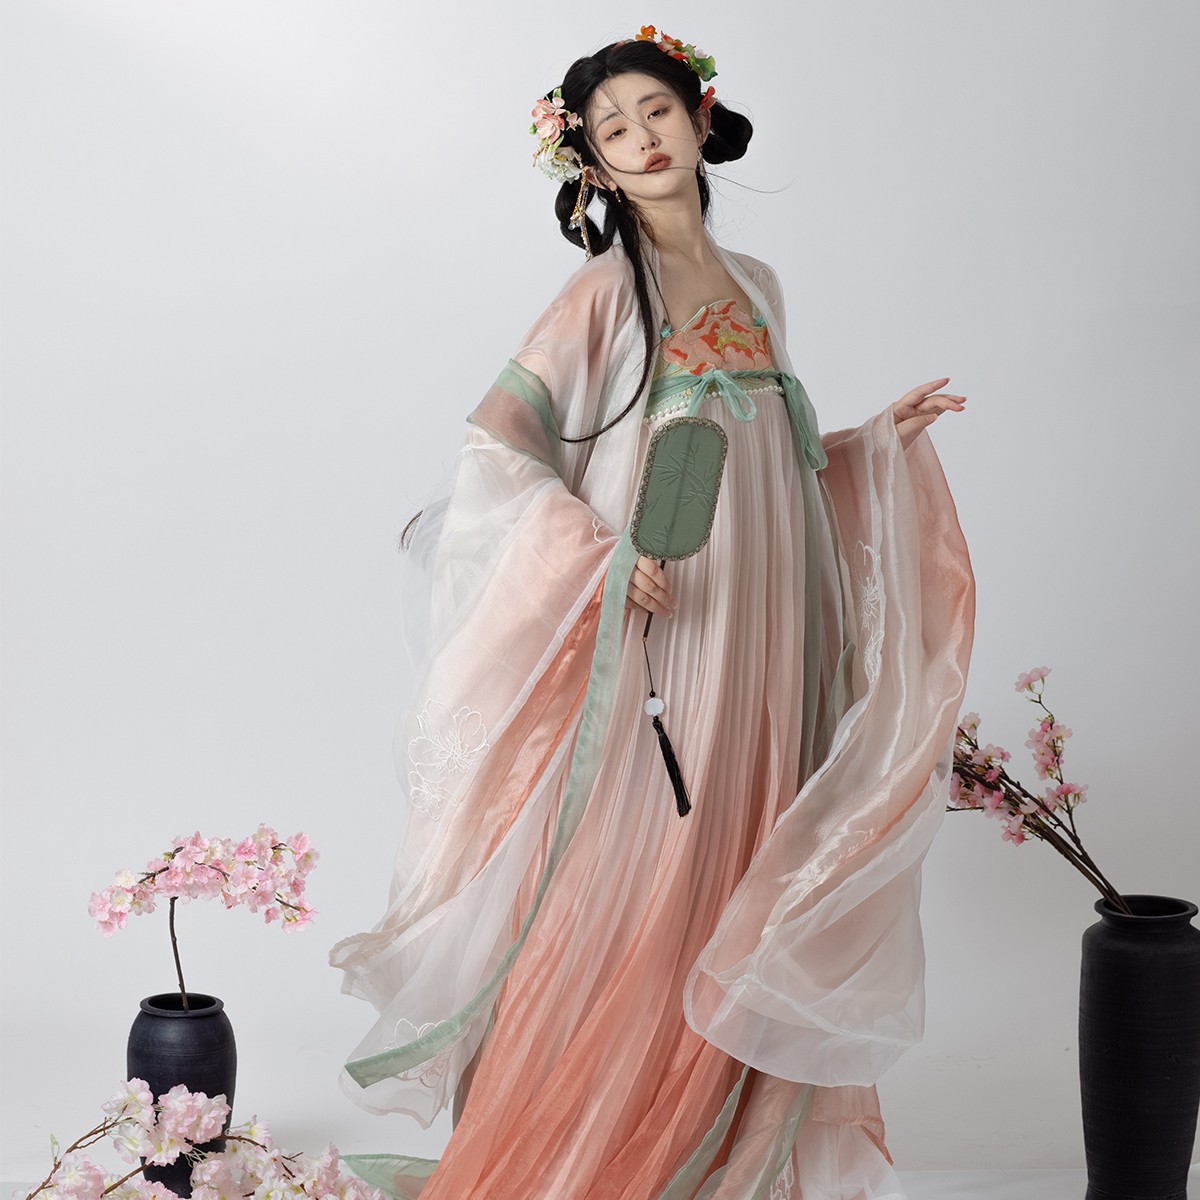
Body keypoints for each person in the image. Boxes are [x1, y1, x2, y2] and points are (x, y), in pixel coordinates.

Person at [329, 26, 974, 1200]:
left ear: (700, 118)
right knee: (640, 867)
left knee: (746, 855)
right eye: (613, 129)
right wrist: (599, 557)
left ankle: (713, 1151)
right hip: (676, 621)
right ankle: (590, 1145)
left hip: (772, 623)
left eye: (657, 112)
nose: (642, 138)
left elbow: (775, 463)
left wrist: (873, 445)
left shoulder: (759, 285)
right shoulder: (599, 294)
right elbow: (497, 449)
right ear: (593, 164)